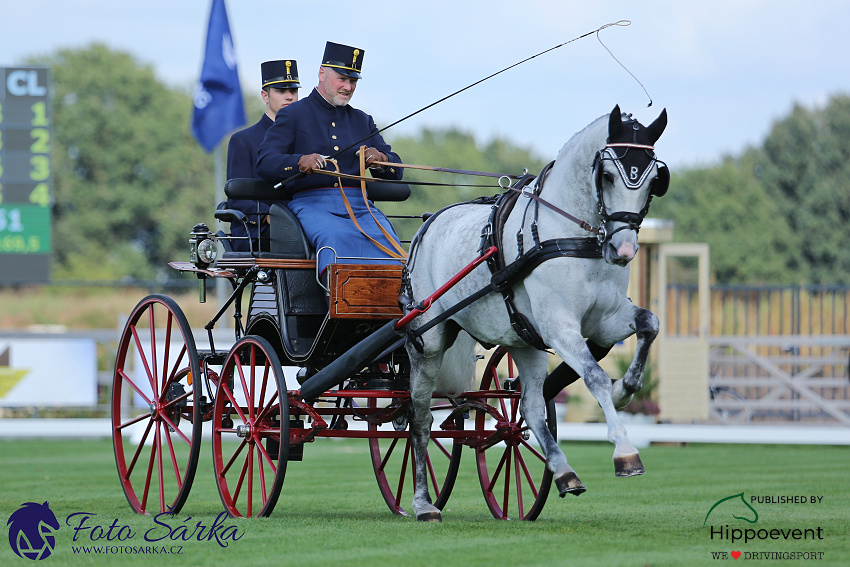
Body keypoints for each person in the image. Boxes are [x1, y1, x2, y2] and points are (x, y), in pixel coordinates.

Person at [256, 42, 404, 273]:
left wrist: (381, 158)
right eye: (341, 79)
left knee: (388, 241)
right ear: (322, 73)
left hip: (362, 207)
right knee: (336, 237)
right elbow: (265, 161)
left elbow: (397, 168)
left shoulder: (362, 120)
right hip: (313, 205)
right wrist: (299, 161)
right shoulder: (293, 115)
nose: (347, 86)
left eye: (352, 81)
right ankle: (339, 306)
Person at [225, 59, 300, 251]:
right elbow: (237, 198)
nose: (289, 97)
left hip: (303, 224)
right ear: (265, 96)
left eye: (293, 91)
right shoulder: (243, 140)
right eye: (281, 91)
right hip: (258, 231)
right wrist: (272, 217)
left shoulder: (307, 139)